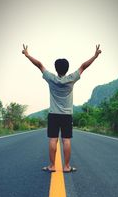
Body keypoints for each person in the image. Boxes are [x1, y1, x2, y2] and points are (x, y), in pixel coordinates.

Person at [22, 44, 102, 172]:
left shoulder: (51, 78)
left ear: (56, 68)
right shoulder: (71, 79)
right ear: (67, 69)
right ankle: (66, 166)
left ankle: (52, 166)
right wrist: (95, 56)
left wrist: (27, 55)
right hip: (67, 115)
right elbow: (83, 66)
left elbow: (39, 65)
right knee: (66, 140)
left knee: (53, 139)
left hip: (53, 114)